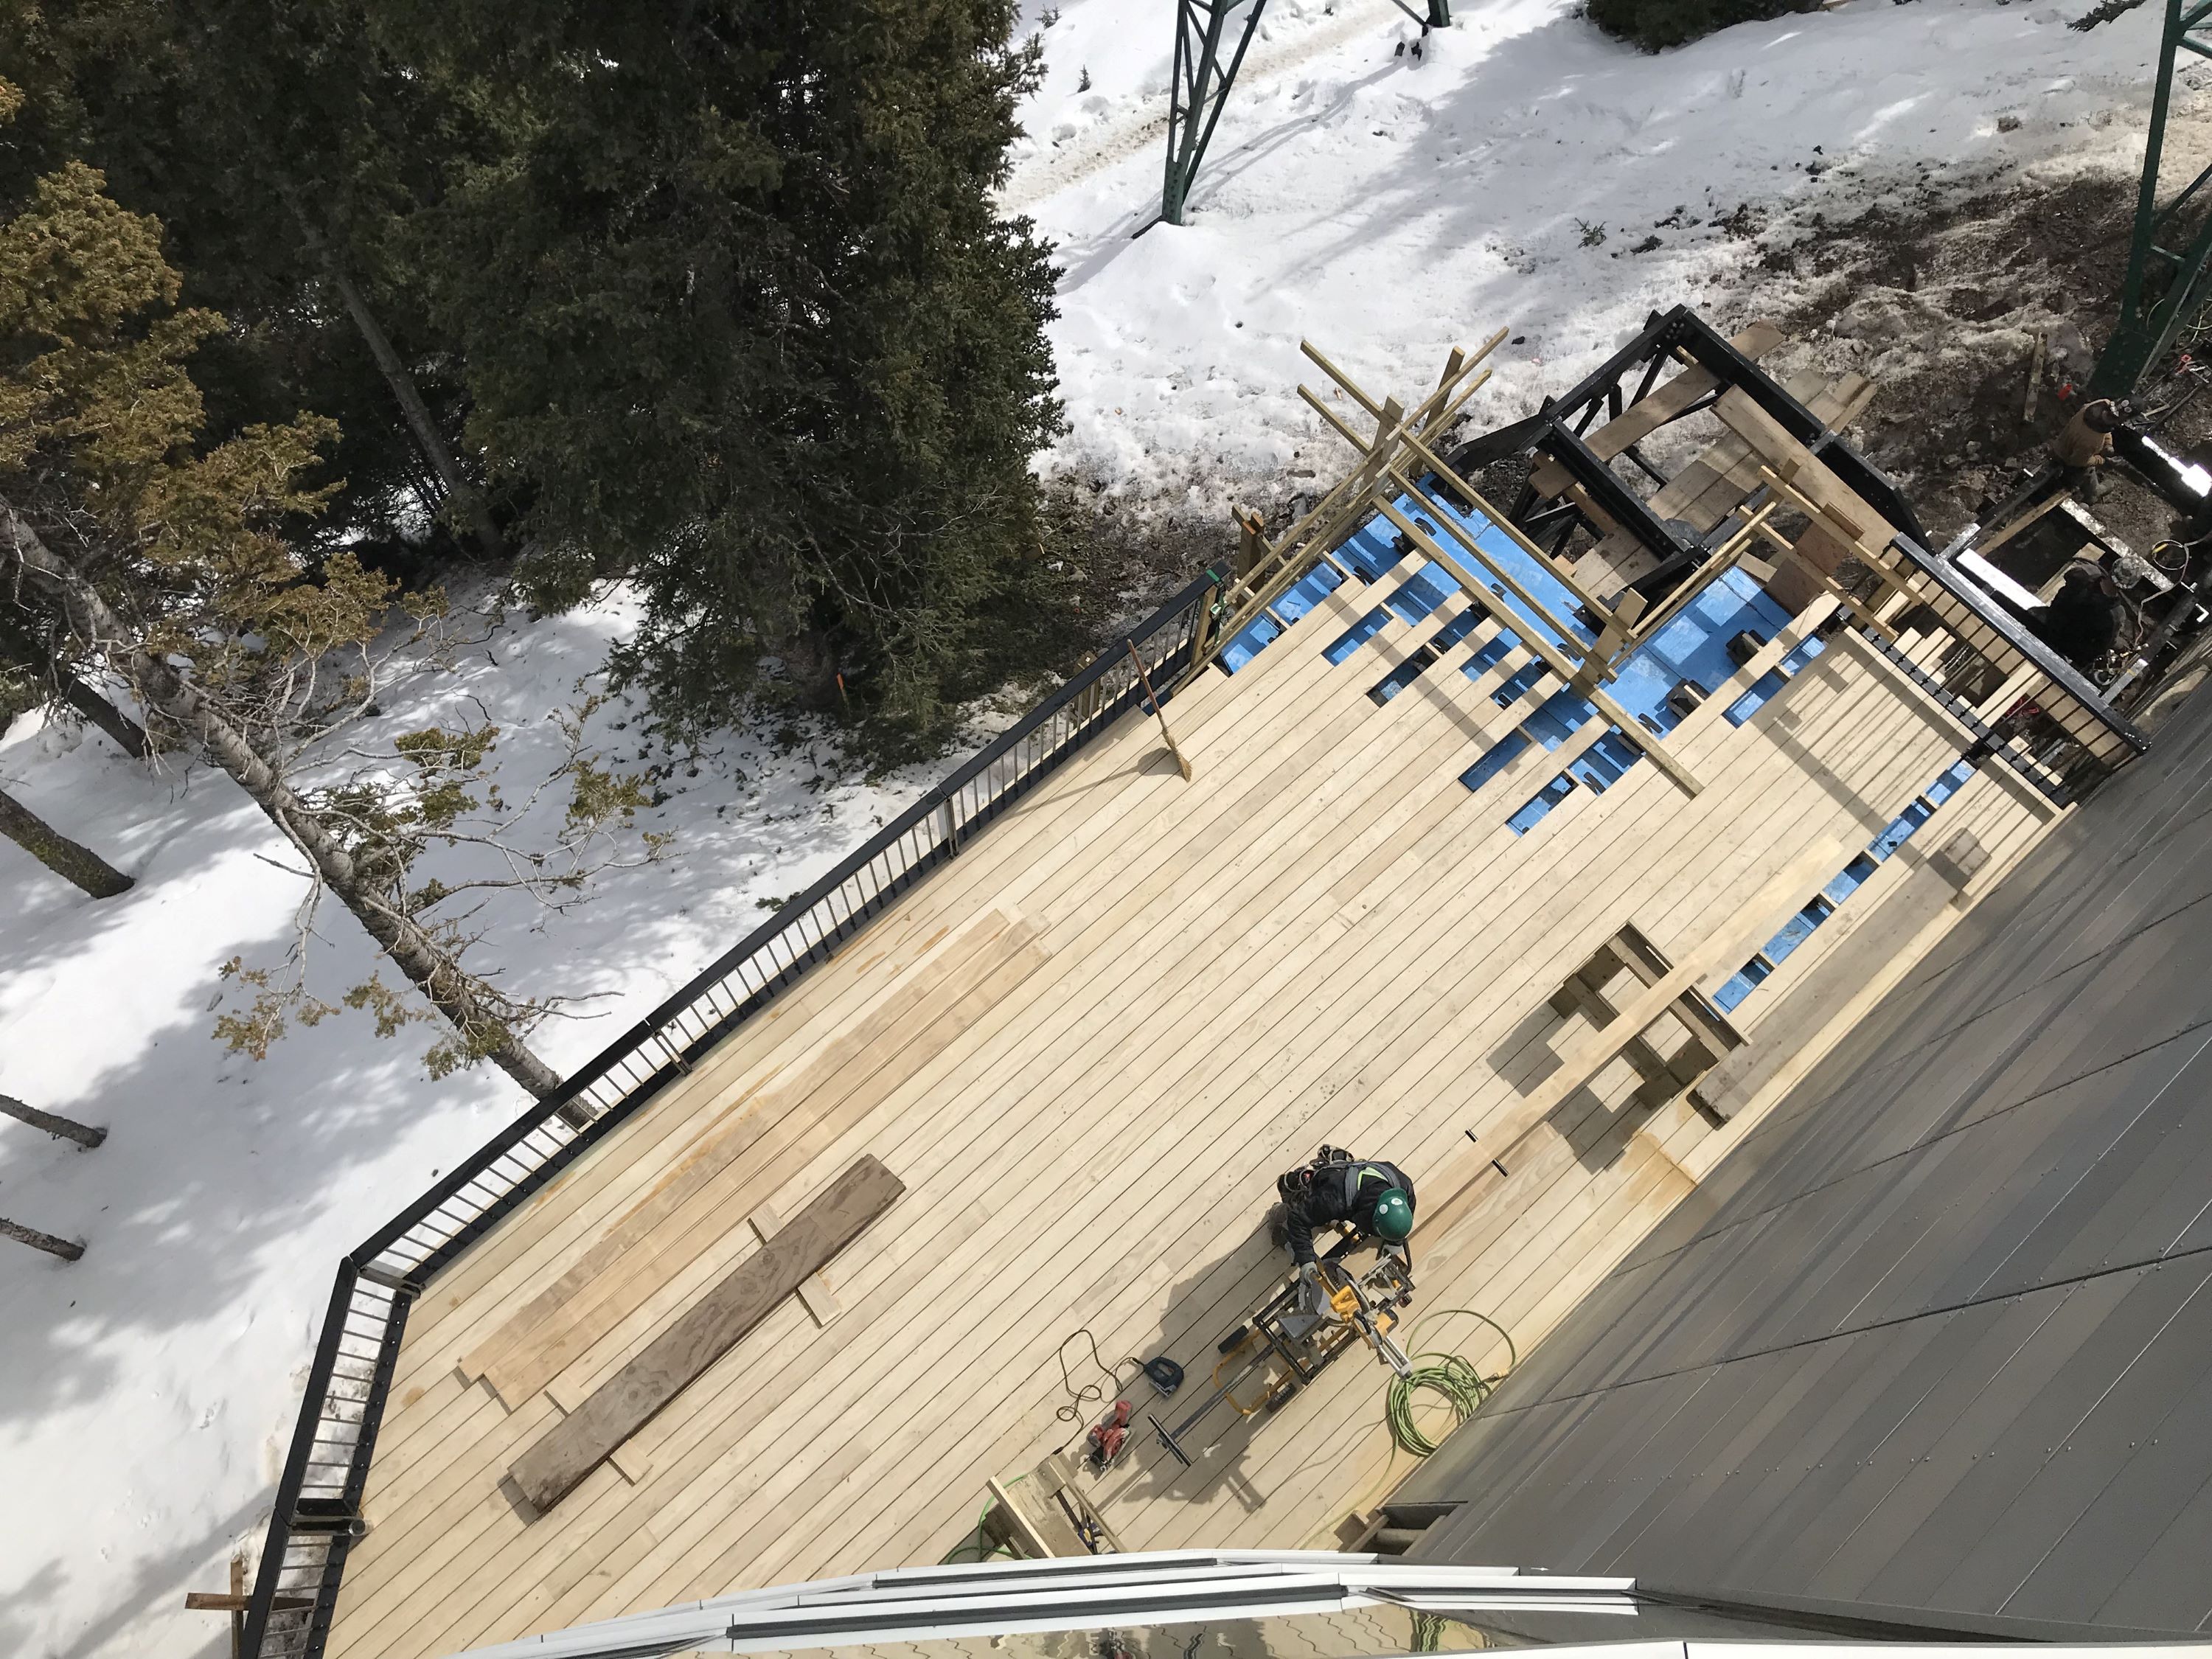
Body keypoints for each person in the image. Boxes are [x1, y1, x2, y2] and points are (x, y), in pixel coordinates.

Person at [1274, 1147, 1416, 1301]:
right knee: (1294, 1210)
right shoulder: (1334, 1200)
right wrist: (1306, 1260)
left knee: (1331, 1204)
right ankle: (1305, 1179)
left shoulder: (1404, 1187)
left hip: (1359, 1179)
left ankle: (1338, 1162)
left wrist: (1395, 1241)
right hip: (1335, 1187)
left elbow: (1404, 1214)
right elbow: (1298, 1219)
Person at [2028, 562, 2122, 673]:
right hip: (2066, 652)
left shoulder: (2086, 574)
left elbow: (2068, 576)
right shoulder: (2116, 615)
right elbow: (2101, 648)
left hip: (2046, 624)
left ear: (2112, 569)